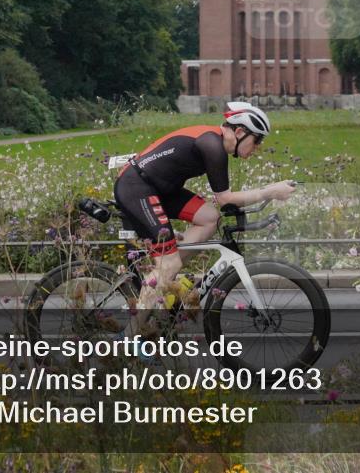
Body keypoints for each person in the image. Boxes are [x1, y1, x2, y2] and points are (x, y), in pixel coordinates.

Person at [112, 102, 296, 353]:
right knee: (170, 263)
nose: (258, 147)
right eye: (257, 140)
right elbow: (225, 198)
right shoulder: (213, 145)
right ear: (241, 132)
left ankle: (166, 279)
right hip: (137, 188)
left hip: (161, 189)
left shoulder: (216, 143)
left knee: (209, 217)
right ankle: (130, 336)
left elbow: (219, 206)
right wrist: (270, 191)